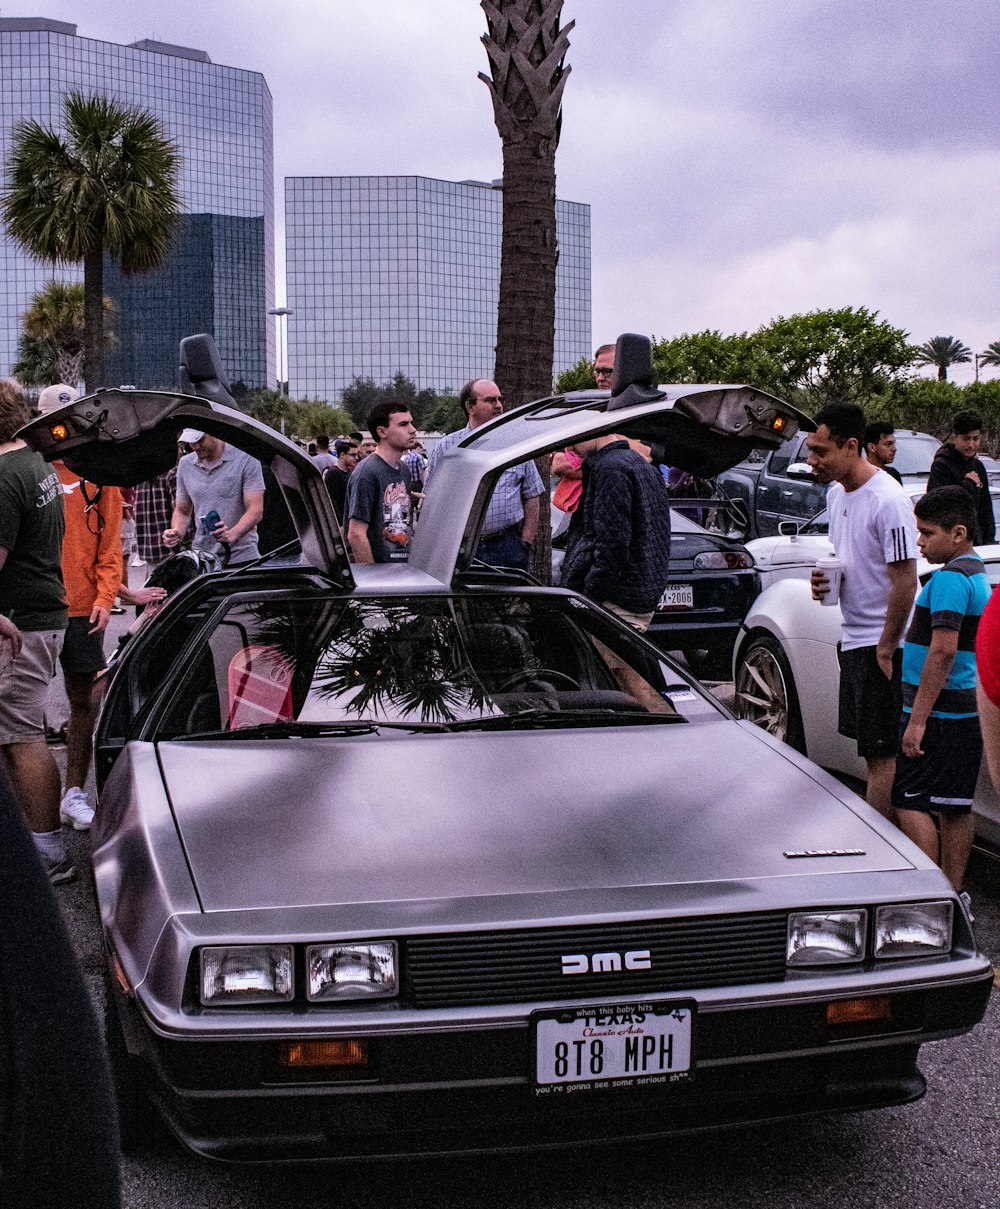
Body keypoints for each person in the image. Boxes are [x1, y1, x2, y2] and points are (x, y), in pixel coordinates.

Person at [808, 402, 918, 820]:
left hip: (885, 643)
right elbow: (853, 561)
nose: (811, 460)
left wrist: (888, 648)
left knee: (882, 758)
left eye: (821, 451)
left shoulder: (888, 498)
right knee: (870, 755)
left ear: (851, 446)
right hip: (855, 637)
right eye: (810, 450)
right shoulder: (837, 495)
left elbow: (906, 580)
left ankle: (885, 856)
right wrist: (824, 584)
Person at [891, 487, 990, 896]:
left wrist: (917, 721)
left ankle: (931, 894)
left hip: (938, 716)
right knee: (954, 808)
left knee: (907, 801)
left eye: (927, 532)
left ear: (958, 533)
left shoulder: (949, 578)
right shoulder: (975, 571)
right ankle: (953, 893)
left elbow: (944, 649)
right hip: (965, 714)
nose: (920, 541)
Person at [36, 384, 122, 830]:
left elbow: (110, 546)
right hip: (33, 610)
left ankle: (73, 793)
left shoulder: (101, 474)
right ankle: (31, 804)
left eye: (72, 421)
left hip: (84, 609)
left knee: (84, 700)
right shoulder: (27, 470)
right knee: (23, 712)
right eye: (57, 422)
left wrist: (107, 597)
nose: (65, 431)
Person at [0, 378, 71, 883]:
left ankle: (48, 850)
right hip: (42, 616)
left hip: (18, 626)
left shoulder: (4, 475)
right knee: (17, 733)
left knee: (21, 736)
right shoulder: (35, 465)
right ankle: (35, 841)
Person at [425, 378, 544, 570]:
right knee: (465, 600)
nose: (498, 406)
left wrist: (525, 543)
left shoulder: (518, 445)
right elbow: (431, 500)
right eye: (490, 400)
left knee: (509, 599)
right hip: (460, 547)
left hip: (507, 546)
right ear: (470, 407)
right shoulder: (447, 447)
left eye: (499, 399)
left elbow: (532, 496)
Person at [561, 433, 672, 631]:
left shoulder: (610, 468)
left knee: (612, 661)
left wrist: (590, 592)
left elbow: (613, 545)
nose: (569, 450)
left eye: (571, 440)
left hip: (616, 601)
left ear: (589, 430)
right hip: (637, 593)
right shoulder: (639, 464)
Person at [163, 429, 265, 567]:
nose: (195, 446)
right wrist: (176, 532)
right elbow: (182, 510)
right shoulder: (186, 464)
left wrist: (232, 534)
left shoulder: (245, 458)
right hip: (203, 557)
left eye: (200, 440)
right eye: (191, 442)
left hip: (242, 557)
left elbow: (255, 510)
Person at [345, 402, 416, 563]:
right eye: (403, 424)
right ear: (382, 432)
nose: (413, 429)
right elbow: (356, 534)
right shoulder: (367, 472)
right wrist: (372, 582)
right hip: (379, 579)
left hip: (402, 569)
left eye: (411, 422)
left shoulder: (404, 469)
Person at [551, 345, 616, 515]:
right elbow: (558, 462)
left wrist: (582, 466)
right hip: (586, 510)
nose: (600, 378)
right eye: (597, 372)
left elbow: (639, 458)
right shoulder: (590, 411)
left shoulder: (641, 411)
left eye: (607, 372)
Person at [926, 409, 995, 544]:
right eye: (966, 439)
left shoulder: (978, 466)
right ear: (955, 437)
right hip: (952, 542)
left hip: (978, 541)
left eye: (975, 439)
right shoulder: (941, 466)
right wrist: (967, 485)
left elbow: (986, 509)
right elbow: (936, 506)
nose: (971, 444)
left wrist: (988, 540)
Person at [323, 438, 359, 525]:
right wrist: (340, 523)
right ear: (342, 455)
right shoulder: (333, 473)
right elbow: (331, 500)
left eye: (357, 455)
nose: (356, 458)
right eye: (353, 455)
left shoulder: (350, 473)